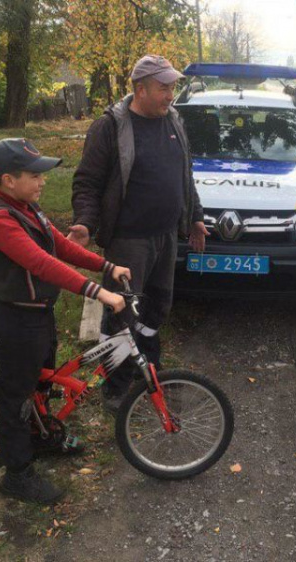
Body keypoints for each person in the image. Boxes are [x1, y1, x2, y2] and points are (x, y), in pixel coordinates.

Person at [0, 138, 131, 504]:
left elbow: (60, 245)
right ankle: (17, 475)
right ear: (8, 180)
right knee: (16, 399)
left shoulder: (27, 208)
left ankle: (41, 438)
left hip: (39, 314)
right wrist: (98, 291)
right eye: (34, 174)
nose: (43, 180)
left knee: (41, 385)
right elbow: (43, 263)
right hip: (16, 320)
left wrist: (107, 266)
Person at [68, 55, 208, 412]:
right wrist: (84, 222)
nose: (170, 95)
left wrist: (195, 217)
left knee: (157, 306)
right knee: (120, 312)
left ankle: (148, 370)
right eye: (163, 88)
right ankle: (115, 385)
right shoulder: (111, 127)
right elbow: (87, 181)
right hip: (128, 239)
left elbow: (184, 175)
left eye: (172, 87)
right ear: (140, 88)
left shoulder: (173, 119)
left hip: (165, 235)